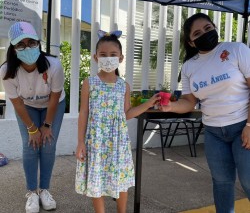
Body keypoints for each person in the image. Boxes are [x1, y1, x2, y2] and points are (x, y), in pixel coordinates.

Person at [159, 13, 250, 212]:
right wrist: (171, 107)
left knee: (248, 180)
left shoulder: (236, 50)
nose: (205, 34)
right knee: (221, 182)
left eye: (208, 28)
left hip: (243, 126)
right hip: (213, 133)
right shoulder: (190, 67)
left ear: (214, 27)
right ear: (191, 42)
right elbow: (189, 103)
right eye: (197, 33)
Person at [75, 30, 160, 213]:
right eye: (103, 55)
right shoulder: (89, 83)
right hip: (95, 141)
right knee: (96, 179)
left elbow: (127, 113)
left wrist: (150, 104)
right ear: (95, 57)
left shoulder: (124, 86)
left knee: (121, 181)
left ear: (120, 58)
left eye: (113, 55)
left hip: (118, 142)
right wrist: (80, 141)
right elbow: (83, 112)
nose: (108, 58)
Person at [0, 21, 65, 213]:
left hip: (53, 105)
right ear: (13, 48)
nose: (27, 48)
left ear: (39, 42)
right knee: (30, 146)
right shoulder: (6, 71)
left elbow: (54, 98)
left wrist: (46, 125)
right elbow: (17, 103)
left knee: (48, 144)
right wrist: (32, 129)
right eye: (20, 44)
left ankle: (44, 189)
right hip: (27, 106)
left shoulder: (54, 65)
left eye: (31, 42)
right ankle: (32, 193)